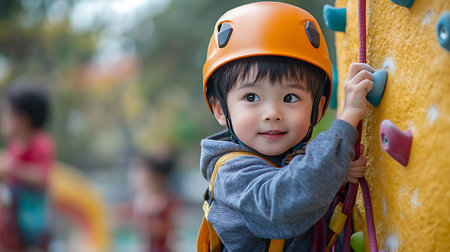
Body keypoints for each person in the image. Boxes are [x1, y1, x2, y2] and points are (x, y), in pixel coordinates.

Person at [199, 2, 372, 251]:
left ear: (318, 108)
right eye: (251, 97)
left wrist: (336, 176)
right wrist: (346, 120)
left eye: (290, 98)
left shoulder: (295, 159)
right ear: (220, 110)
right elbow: (282, 205)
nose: (272, 114)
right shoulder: (233, 174)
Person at [0, 81, 54, 251]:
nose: (2, 120)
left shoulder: (41, 143)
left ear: (22, 120)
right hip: (12, 221)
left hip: (32, 223)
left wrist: (11, 167)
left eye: (6, 114)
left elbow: (40, 176)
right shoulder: (13, 148)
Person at [130, 150, 178, 252]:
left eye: (142, 172)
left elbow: (170, 228)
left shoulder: (167, 200)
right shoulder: (141, 199)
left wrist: (148, 226)